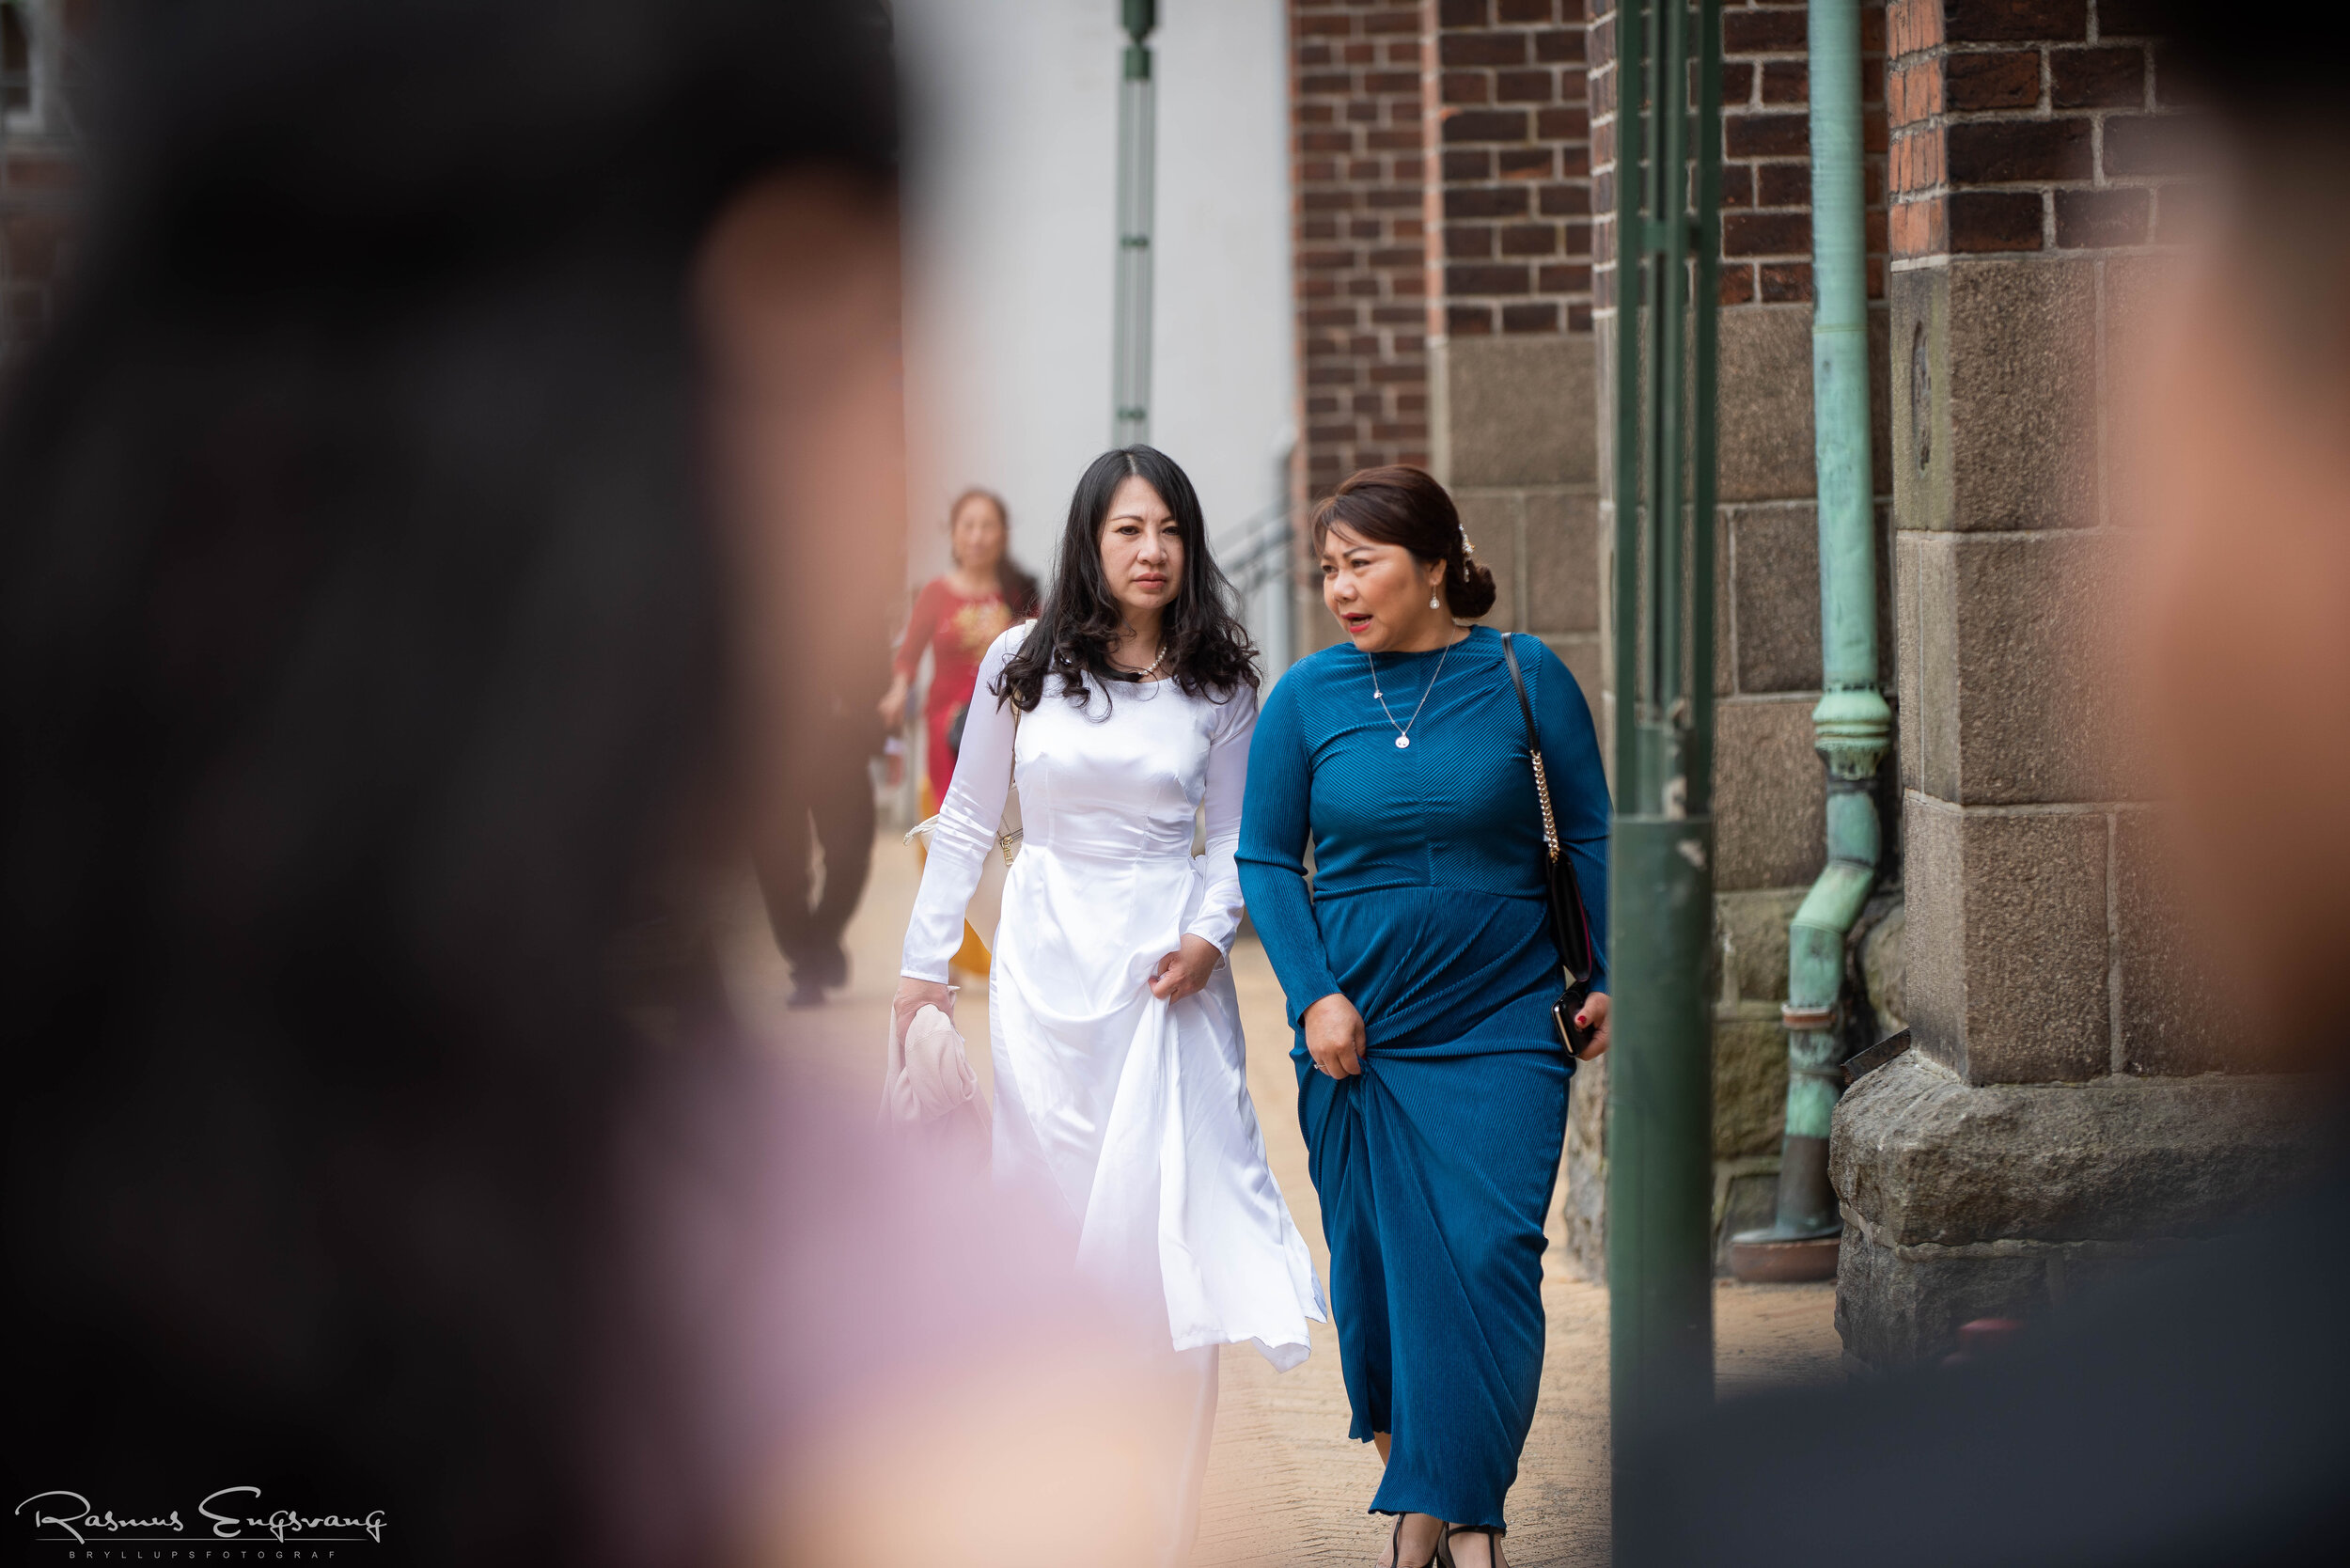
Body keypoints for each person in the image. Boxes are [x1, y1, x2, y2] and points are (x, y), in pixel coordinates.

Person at [892, 445, 1325, 1566]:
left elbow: (1237, 840)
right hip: (1043, 974)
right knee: (1058, 1236)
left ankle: (1169, 1531)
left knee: (1169, 1245)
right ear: (1091, 542)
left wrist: (1204, 932)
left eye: (1170, 530)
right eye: (1129, 530)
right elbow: (967, 814)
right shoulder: (1017, 665)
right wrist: (923, 966)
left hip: (1166, 982)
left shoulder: (1223, 680)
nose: (1151, 551)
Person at [1236, 465, 1612, 1568]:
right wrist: (1312, 995)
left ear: (1436, 562)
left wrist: (1612, 974)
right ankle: (1459, 1514)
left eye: (1361, 563)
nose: (1339, 588)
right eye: (1327, 570)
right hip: (1363, 1032)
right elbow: (1265, 856)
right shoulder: (1306, 697)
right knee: (1382, 1274)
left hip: (1503, 1011)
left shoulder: (1522, 673)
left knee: (1490, 1254)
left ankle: (1436, 1530)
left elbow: (1587, 834)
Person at [883, 487, 1042, 807]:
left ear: (1003, 535)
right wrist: (899, 690)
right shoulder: (935, 593)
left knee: (1002, 812)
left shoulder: (1019, 594)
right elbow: (909, 654)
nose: (977, 536)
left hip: (1004, 716)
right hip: (947, 722)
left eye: (987, 526)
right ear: (953, 533)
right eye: (968, 526)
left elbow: (1040, 651)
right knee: (952, 809)